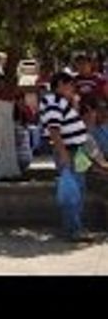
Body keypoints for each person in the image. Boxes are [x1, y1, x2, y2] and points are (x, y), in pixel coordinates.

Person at [40, 71, 94, 242]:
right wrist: (63, 154)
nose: (73, 89)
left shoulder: (63, 102)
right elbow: (54, 130)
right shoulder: (53, 102)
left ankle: (75, 227)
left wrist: (75, 105)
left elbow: (71, 124)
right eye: (71, 85)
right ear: (61, 84)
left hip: (77, 150)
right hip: (69, 151)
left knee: (79, 189)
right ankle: (73, 230)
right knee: (72, 192)